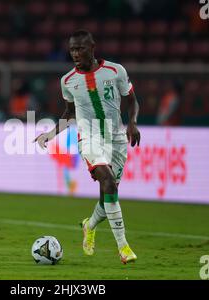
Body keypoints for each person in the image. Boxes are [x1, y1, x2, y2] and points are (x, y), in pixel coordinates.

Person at [34, 30, 141, 265]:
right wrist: (50, 134)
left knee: (108, 197)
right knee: (109, 182)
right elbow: (69, 113)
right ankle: (123, 248)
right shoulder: (67, 81)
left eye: (80, 48)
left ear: (92, 47)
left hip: (117, 140)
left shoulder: (116, 71)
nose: (75, 54)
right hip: (89, 138)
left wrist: (132, 122)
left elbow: (132, 99)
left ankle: (89, 225)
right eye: (72, 49)